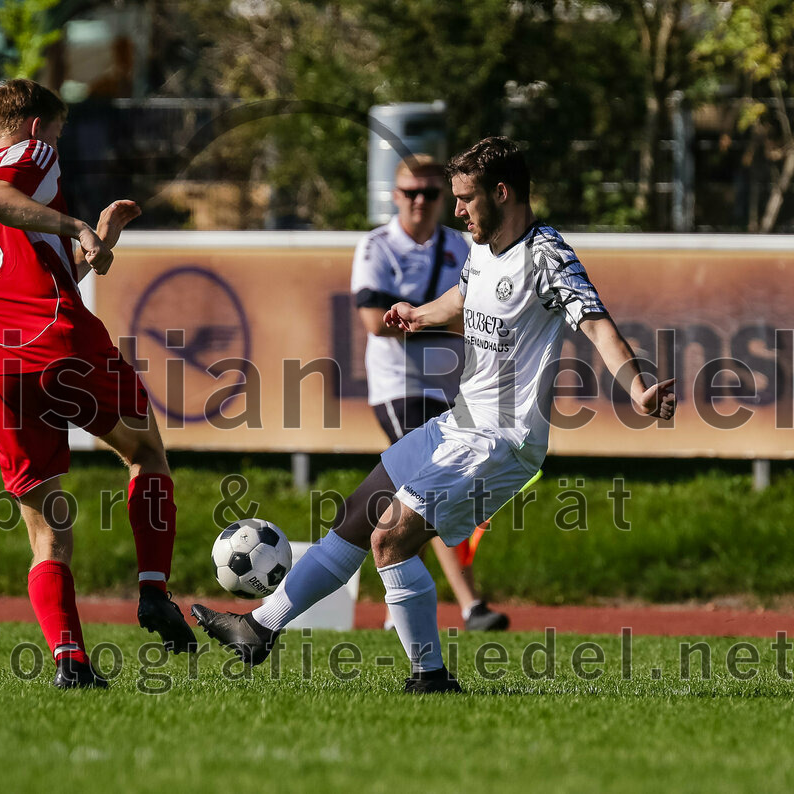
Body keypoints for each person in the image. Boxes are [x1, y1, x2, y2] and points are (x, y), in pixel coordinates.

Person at [192, 137, 676, 693]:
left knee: (390, 539)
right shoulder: (482, 247)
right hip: (460, 421)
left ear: (503, 192)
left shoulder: (547, 256)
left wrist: (637, 388)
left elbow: (596, 324)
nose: (458, 210)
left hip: (501, 441)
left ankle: (430, 676)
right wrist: (420, 314)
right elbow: (465, 299)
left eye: (467, 198)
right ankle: (258, 627)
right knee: (358, 514)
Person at [0, 79, 197, 689]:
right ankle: (154, 590)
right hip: (60, 345)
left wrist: (96, 245)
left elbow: (27, 259)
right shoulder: (28, 157)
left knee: (47, 533)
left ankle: (71, 662)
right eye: (58, 131)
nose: (58, 144)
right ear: (37, 126)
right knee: (145, 452)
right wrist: (78, 224)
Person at [351, 153, 508, 632]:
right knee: (428, 488)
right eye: (409, 193)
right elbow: (374, 324)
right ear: (394, 196)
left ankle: (397, 605)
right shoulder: (377, 245)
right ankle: (468, 604)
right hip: (398, 386)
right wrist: (440, 320)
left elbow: (483, 317)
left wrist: (422, 319)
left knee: (425, 495)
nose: (419, 202)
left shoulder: (462, 245)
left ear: (445, 198)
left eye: (430, 193)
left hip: (453, 388)